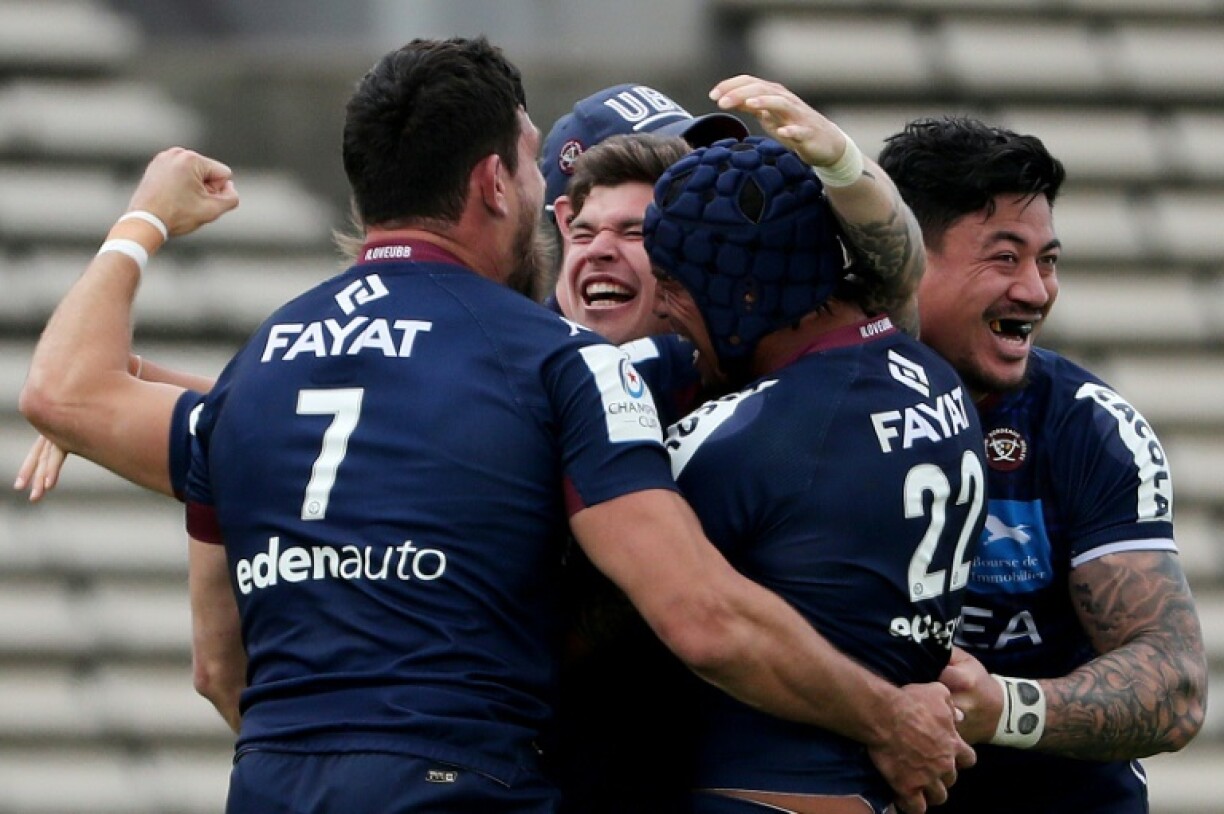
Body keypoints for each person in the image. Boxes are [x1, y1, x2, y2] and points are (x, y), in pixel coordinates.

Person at [20, 38, 971, 813]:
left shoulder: (266, 370)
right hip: (470, 780)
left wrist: (142, 224)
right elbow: (704, 618)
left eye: (653, 232)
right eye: (572, 207)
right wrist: (889, 718)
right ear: (499, 186)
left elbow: (213, 654)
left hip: (277, 779)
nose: (619, 250)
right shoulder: (566, 367)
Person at [641, 83, 988, 813]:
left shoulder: (744, 438)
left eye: (671, 284)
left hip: (762, 792)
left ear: (742, 298)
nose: (661, 308)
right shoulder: (930, 373)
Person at [876, 116, 1208, 813]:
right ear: (907, 261)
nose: (1035, 290)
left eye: (1047, 261)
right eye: (1005, 258)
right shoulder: (816, 406)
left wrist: (1003, 707)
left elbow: (1176, 685)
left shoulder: (1089, 426)